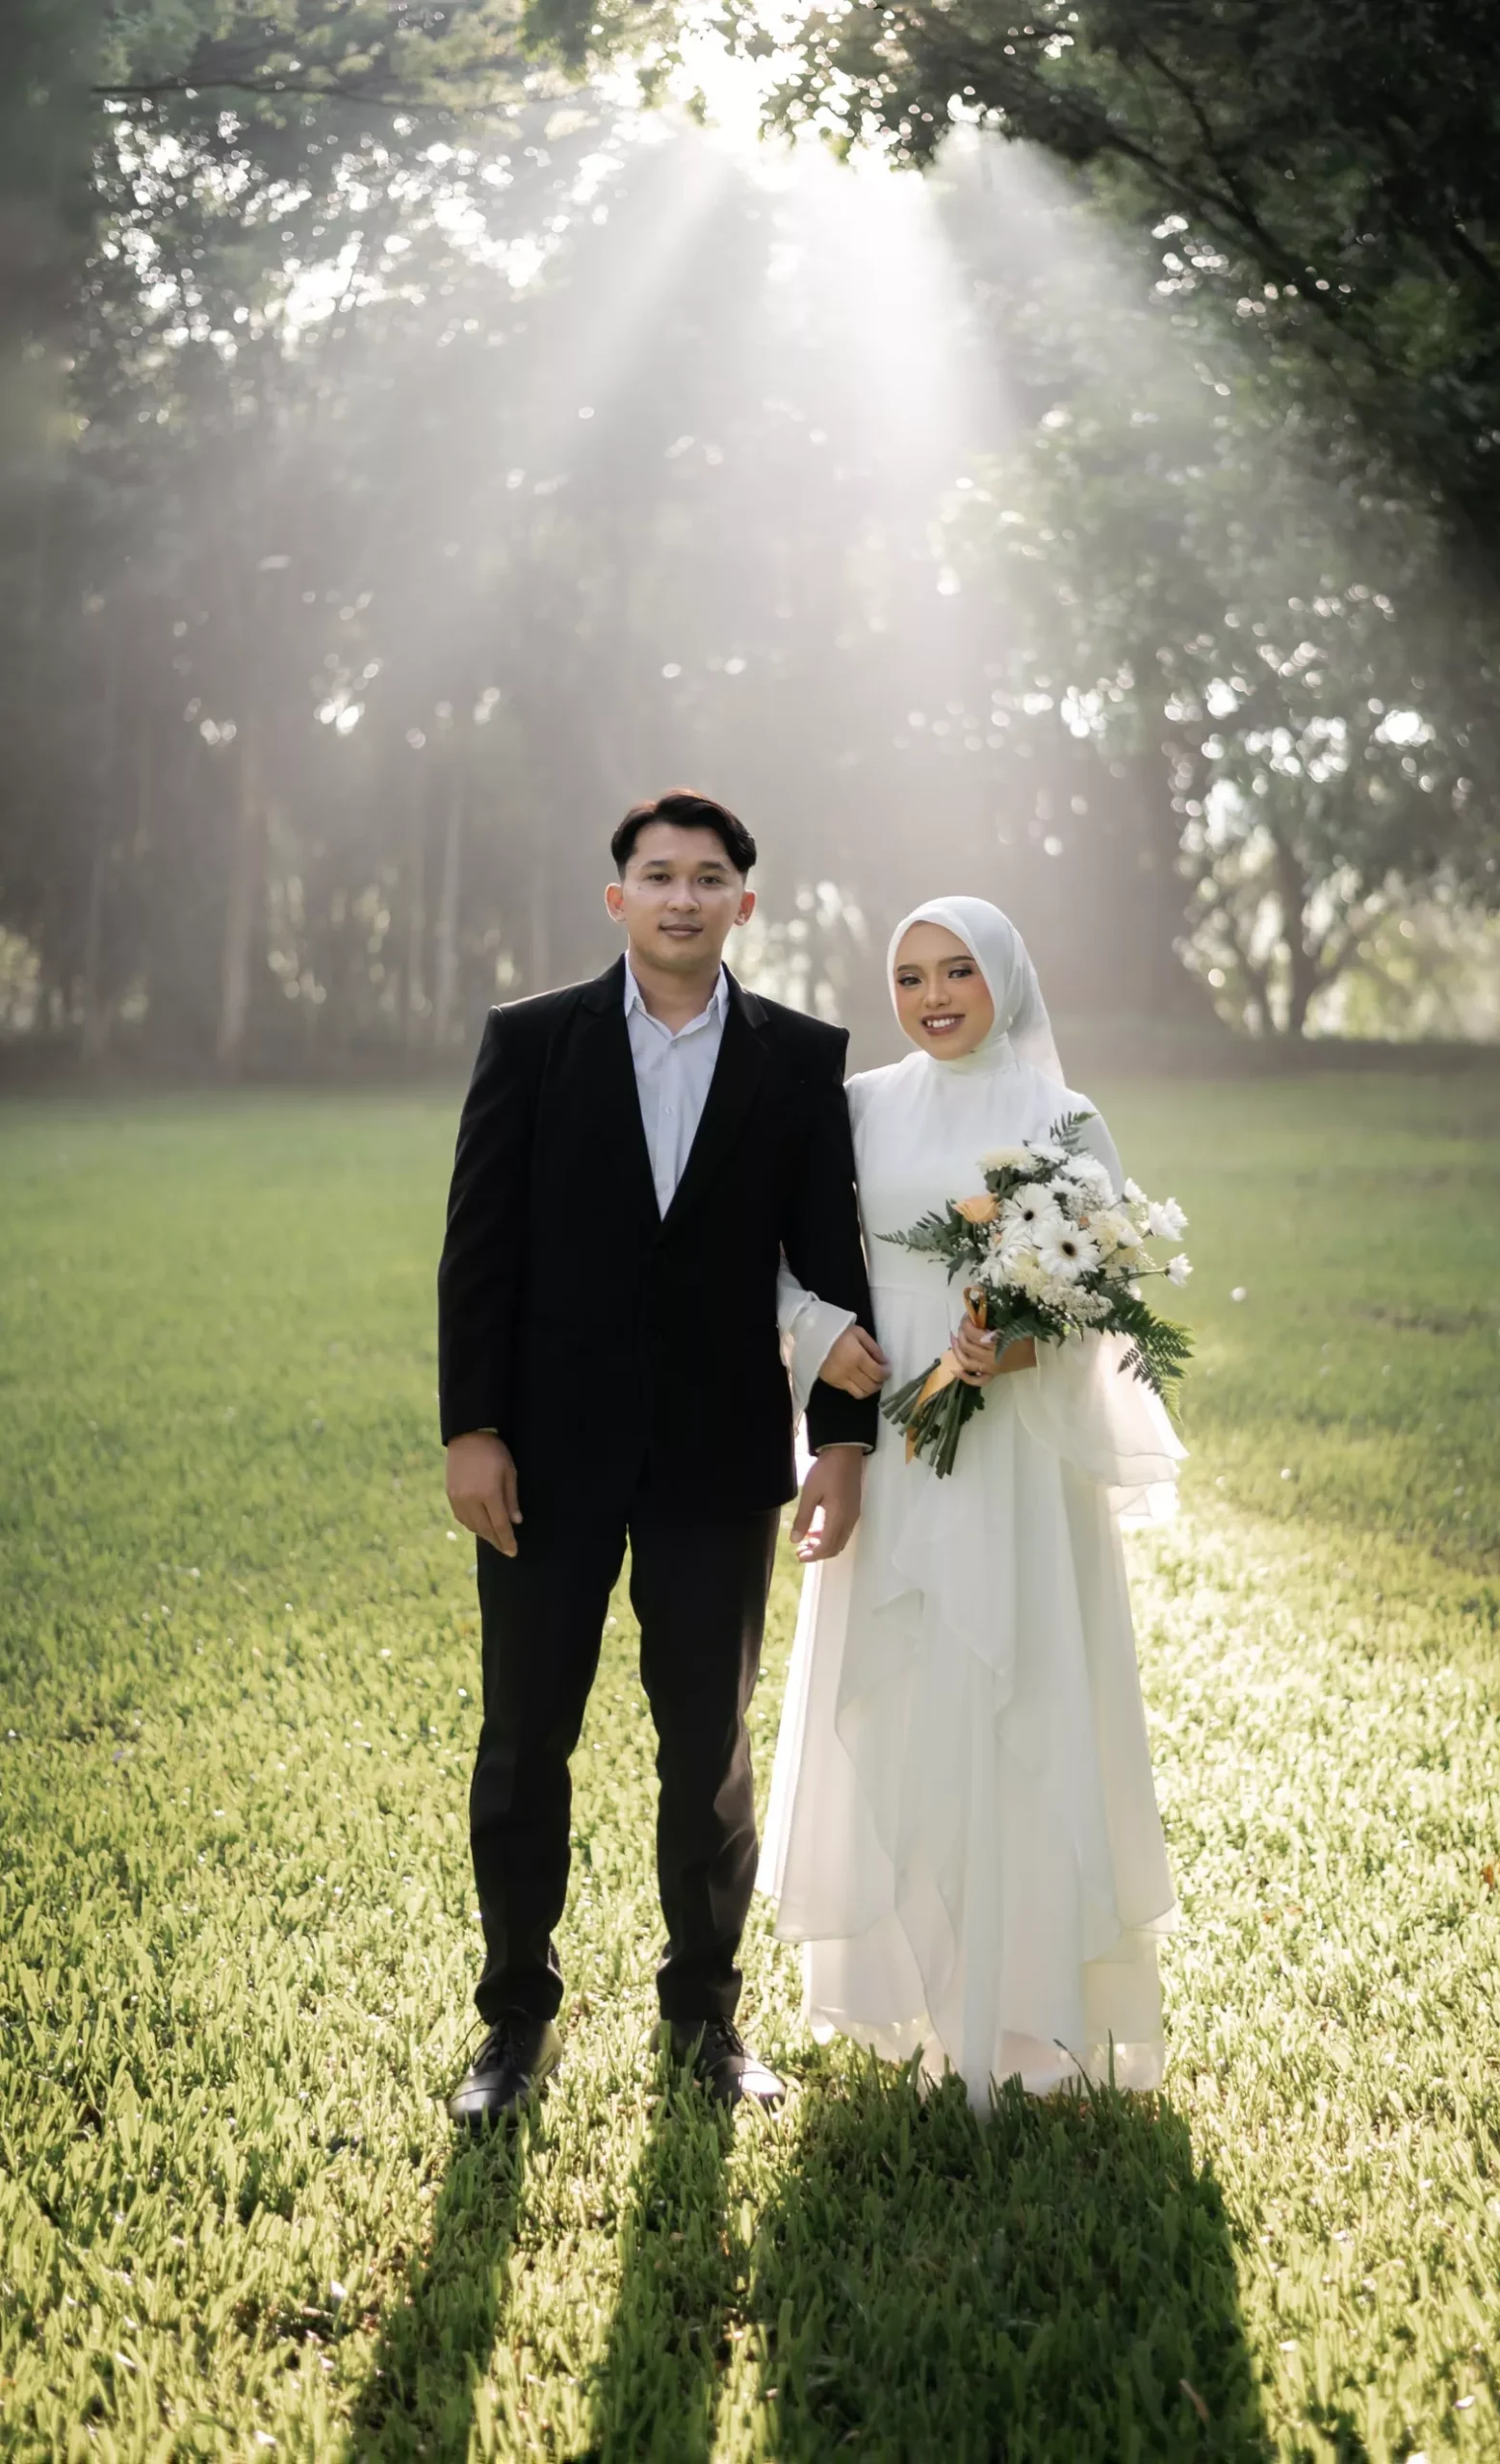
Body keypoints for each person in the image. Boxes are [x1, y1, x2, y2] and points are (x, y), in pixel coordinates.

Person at [436, 789, 888, 2127]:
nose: (680, 897)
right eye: (656, 875)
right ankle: (514, 2021)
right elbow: (479, 1247)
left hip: (717, 1458)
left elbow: (827, 1262)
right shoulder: (531, 1041)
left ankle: (704, 2018)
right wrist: (471, 1429)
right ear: (616, 896)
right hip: (545, 1458)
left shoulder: (799, 1060)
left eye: (706, 878)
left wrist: (843, 1442)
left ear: (744, 902)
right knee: (525, 1741)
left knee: (706, 1751)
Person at [763, 896, 1183, 2109]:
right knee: (906, 1687)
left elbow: (1102, 1299)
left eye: (957, 971)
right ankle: (924, 1988)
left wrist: (1019, 1346)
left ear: (1003, 977)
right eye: (908, 976)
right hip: (892, 1430)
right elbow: (776, 1251)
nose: (933, 996)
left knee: (1018, 1692)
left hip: (1015, 1458)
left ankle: (1025, 2008)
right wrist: (817, 1330)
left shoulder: (1063, 1119)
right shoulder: (855, 1107)